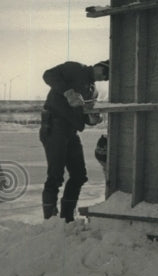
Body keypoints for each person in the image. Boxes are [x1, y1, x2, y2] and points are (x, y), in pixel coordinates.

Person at [39, 59, 109, 221]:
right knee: (55, 176)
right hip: (54, 126)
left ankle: (67, 218)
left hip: (71, 131)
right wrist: (68, 91)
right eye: (105, 73)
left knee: (79, 175)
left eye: (107, 78)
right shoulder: (74, 68)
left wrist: (91, 119)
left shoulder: (93, 92)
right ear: (99, 66)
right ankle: (50, 220)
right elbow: (48, 75)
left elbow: (83, 115)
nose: (104, 78)